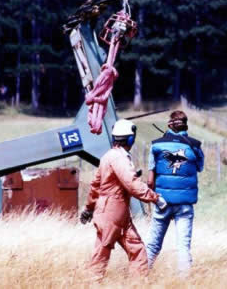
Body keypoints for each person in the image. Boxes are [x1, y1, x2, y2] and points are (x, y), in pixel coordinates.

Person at [80, 119, 167, 279]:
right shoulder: (119, 158)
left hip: (116, 216)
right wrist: (155, 198)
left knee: (138, 251)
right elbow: (132, 185)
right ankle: (92, 284)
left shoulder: (108, 156)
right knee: (100, 257)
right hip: (112, 216)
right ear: (131, 139)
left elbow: (96, 187)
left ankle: (137, 284)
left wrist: (89, 208)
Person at [146, 110, 204, 274]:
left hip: (162, 201)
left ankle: (142, 277)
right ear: (186, 125)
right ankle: (184, 281)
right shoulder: (195, 145)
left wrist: (152, 196)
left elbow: (150, 180)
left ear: (169, 124)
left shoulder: (156, 145)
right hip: (185, 203)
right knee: (183, 246)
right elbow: (199, 167)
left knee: (153, 244)